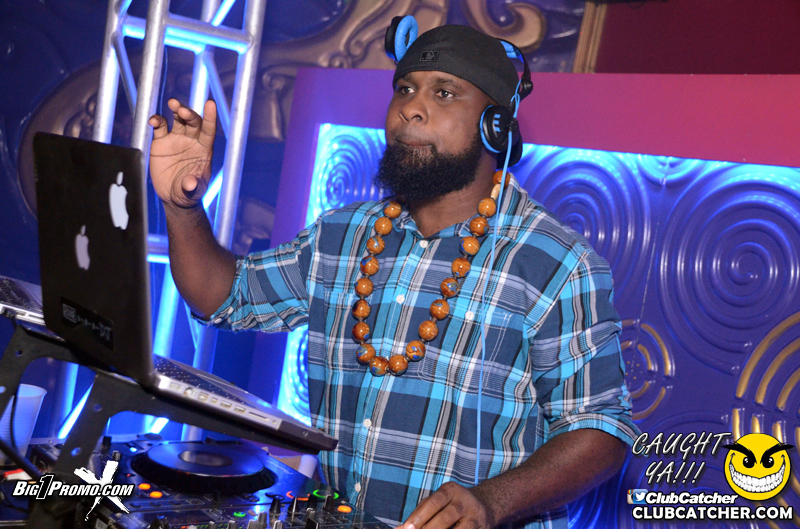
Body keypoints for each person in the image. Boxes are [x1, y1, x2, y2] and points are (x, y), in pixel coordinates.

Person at [148, 21, 638, 529]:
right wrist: (182, 206)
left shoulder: (556, 262)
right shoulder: (341, 235)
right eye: (404, 89)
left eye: (444, 93)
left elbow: (601, 429)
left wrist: (492, 502)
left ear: (496, 125)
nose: (411, 108)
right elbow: (223, 296)